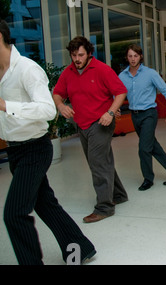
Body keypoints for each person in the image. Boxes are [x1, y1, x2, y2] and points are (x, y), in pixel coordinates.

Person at [0, 20, 96, 264]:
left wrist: (5, 106)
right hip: (15, 150)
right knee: (45, 204)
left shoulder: (26, 69)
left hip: (35, 148)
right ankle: (80, 248)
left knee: (14, 214)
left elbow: (46, 110)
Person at [53, 36, 128, 223]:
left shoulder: (102, 69)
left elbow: (121, 92)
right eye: (73, 55)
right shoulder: (68, 72)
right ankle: (118, 194)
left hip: (101, 121)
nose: (77, 59)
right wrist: (61, 106)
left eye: (80, 55)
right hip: (82, 124)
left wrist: (110, 113)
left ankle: (104, 207)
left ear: (89, 54)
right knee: (101, 160)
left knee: (97, 162)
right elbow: (57, 93)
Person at [119, 44, 166, 190]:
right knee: (152, 146)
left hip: (149, 114)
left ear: (140, 56)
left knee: (143, 148)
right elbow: (116, 93)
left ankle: (148, 179)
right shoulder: (122, 76)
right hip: (134, 116)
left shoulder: (150, 73)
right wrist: (114, 108)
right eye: (130, 56)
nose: (133, 59)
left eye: (135, 56)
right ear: (126, 57)